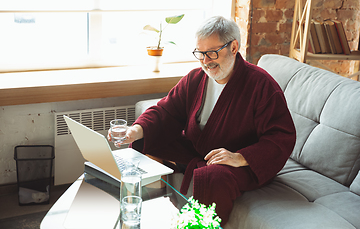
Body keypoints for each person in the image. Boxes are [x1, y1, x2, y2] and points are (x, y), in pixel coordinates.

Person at [110, 16, 296, 226]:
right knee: (147, 140)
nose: (206, 61)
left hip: (238, 163)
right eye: (200, 54)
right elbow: (167, 111)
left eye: (212, 53)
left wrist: (240, 157)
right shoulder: (196, 78)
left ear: (234, 47)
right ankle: (151, 209)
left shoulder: (261, 85)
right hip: (200, 149)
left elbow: (281, 138)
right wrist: (135, 130)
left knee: (214, 178)